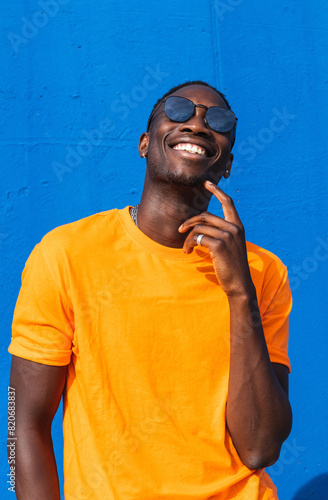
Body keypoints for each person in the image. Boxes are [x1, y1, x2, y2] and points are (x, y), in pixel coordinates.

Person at [8, 80, 292, 500]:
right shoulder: (65, 255)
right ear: (144, 143)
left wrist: (240, 292)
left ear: (227, 163)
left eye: (218, 120)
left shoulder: (263, 271)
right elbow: (24, 424)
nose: (196, 123)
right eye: (178, 110)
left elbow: (260, 447)